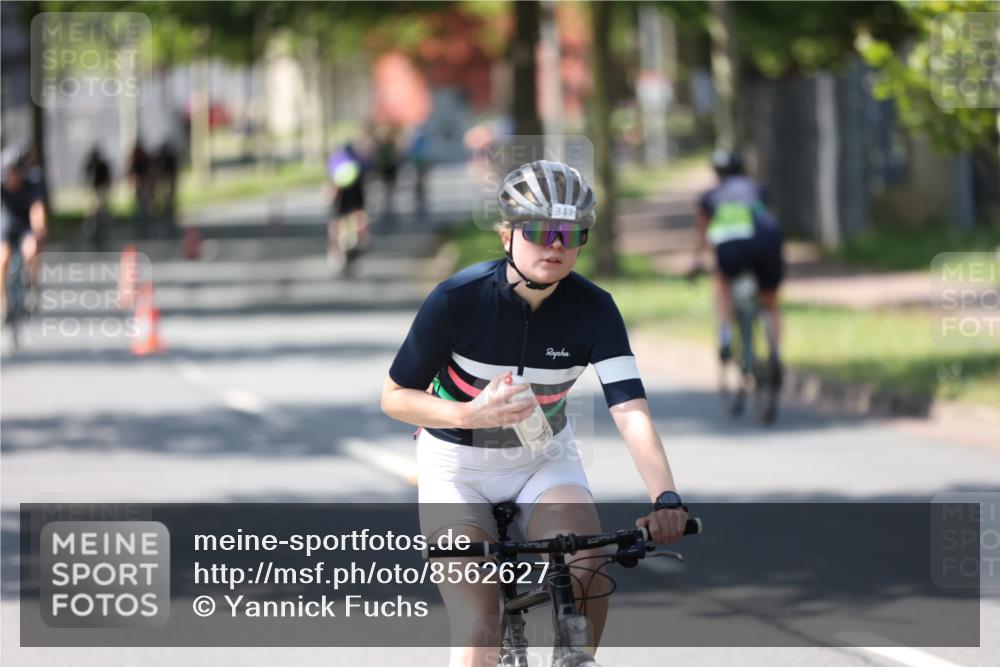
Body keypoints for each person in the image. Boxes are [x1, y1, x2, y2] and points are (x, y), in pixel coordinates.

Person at [381, 159, 689, 667]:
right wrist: (470, 414)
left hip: (542, 460)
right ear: (507, 234)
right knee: (480, 625)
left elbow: (631, 410)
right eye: (541, 230)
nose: (556, 245)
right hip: (456, 469)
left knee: (585, 568)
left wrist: (665, 496)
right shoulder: (458, 301)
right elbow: (394, 396)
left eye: (571, 234)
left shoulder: (595, 309)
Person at [694, 149, 785, 380]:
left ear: (716, 172)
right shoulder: (757, 188)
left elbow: (703, 236)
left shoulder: (710, 196)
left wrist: (697, 261)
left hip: (733, 243)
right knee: (770, 300)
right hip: (768, 238)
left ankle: (725, 335)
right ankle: (775, 353)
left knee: (722, 281)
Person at [1, 145, 47, 315]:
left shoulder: (32, 181)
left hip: (25, 225)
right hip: (5, 225)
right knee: (3, 259)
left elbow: (37, 207)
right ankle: (4, 301)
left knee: (31, 250)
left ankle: (32, 285)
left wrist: (39, 227)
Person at [325, 142, 369, 277]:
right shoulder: (358, 164)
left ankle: (335, 251)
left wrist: (329, 198)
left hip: (343, 201)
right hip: (355, 198)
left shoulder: (337, 164)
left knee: (336, 226)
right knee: (358, 219)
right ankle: (361, 242)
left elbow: (332, 189)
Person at [82, 144, 112, 250]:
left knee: (102, 212)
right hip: (93, 191)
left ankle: (103, 233)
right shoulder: (90, 165)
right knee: (91, 212)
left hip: (101, 190)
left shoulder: (102, 165)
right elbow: (86, 178)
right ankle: (91, 232)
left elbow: (108, 178)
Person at [153, 141, 179, 238]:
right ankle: (164, 223)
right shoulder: (160, 159)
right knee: (163, 205)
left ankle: (170, 223)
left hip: (168, 182)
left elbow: (174, 173)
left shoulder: (170, 159)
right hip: (163, 183)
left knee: (170, 205)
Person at [127, 140, 152, 239]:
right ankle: (140, 227)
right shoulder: (135, 160)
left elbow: (149, 173)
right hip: (139, 185)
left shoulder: (144, 159)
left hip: (143, 184)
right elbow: (131, 172)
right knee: (139, 207)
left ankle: (144, 227)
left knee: (144, 206)